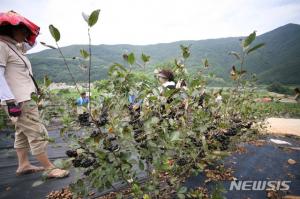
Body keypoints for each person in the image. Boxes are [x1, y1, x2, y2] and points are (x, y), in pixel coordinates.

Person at [0, 11, 69, 178]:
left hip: (23, 98)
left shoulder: (14, 46)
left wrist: (27, 25)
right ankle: (49, 168)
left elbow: (33, 43)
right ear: (10, 29)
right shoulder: (1, 46)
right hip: (19, 100)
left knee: (22, 132)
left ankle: (23, 164)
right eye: (22, 30)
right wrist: (9, 101)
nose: (25, 34)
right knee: (37, 132)